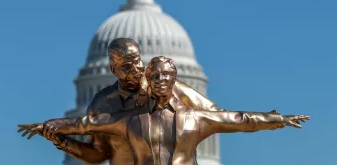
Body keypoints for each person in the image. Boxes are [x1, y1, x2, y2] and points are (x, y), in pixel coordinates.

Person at [18, 56, 309, 165]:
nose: (160, 82)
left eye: (166, 78)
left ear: (175, 82)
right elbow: (85, 123)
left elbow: (241, 120)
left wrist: (278, 120)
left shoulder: (196, 118)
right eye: (154, 77)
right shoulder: (130, 120)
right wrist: (51, 126)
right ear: (149, 78)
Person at [19, 38, 223, 165]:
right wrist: (62, 142)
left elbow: (215, 114)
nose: (136, 71)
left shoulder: (167, 88)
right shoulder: (102, 104)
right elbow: (98, 155)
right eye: (127, 66)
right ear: (113, 71)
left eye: (137, 63)